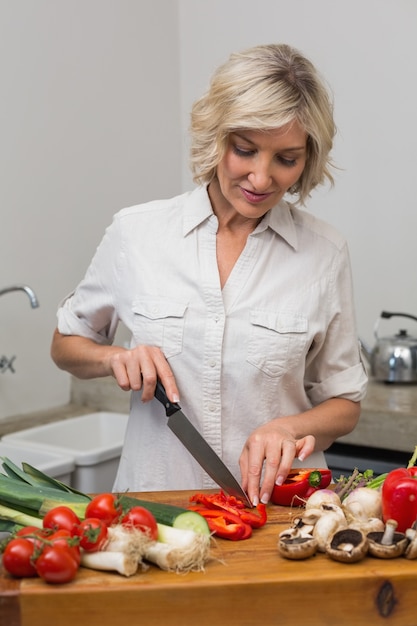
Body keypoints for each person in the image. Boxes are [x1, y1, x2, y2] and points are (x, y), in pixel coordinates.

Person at [51, 43, 367, 506]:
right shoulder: (137, 233)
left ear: (308, 158)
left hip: (279, 515)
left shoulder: (324, 253)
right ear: (216, 136)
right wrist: (113, 359)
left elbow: (344, 404)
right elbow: (65, 343)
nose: (261, 179)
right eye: (245, 150)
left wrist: (290, 427)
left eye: (286, 158)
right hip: (154, 511)